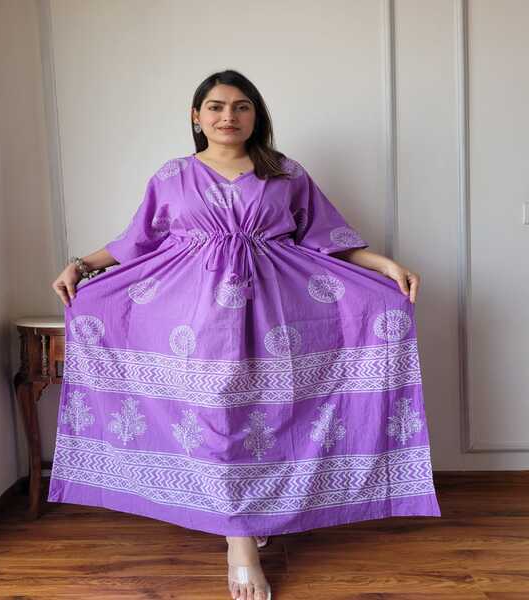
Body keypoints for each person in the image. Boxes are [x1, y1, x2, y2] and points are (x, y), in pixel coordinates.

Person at [50, 69, 440, 600]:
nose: (227, 116)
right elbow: (135, 242)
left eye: (240, 106)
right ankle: (240, 540)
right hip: (194, 322)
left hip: (278, 313)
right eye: (215, 106)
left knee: (268, 417)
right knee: (216, 420)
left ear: (256, 115)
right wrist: (80, 265)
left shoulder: (285, 172)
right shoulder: (172, 175)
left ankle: (247, 522)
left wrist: (384, 266)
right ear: (196, 116)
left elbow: (327, 237)